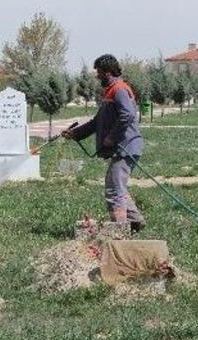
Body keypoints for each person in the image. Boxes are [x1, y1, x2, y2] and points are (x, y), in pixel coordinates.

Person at [62, 54, 146, 232]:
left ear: (108, 72)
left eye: (98, 72)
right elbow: (96, 122)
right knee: (115, 185)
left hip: (126, 147)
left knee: (114, 188)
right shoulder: (110, 91)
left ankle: (120, 232)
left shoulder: (120, 89)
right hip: (122, 148)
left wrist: (112, 137)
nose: (96, 75)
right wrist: (75, 133)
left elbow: (128, 115)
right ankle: (135, 221)